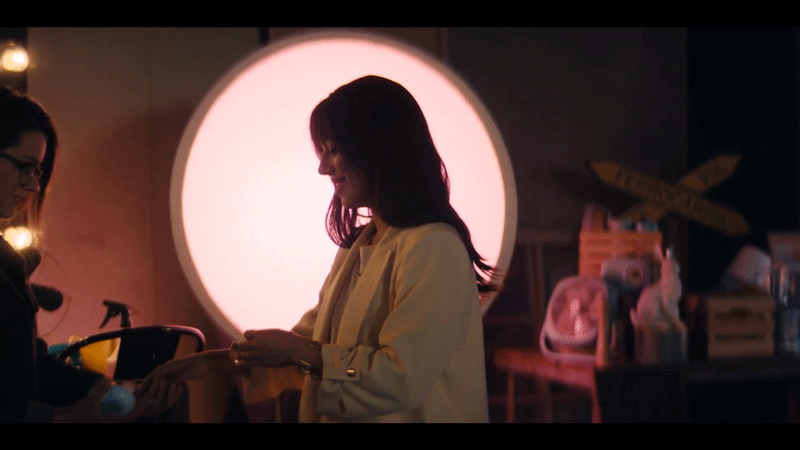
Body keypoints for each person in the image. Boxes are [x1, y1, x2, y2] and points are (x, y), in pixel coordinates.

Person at [140, 75, 494, 422]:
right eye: (322, 152)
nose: (323, 168)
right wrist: (209, 363)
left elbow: (399, 376)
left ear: (378, 149)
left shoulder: (434, 248)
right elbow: (310, 350)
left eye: (334, 150)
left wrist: (300, 351)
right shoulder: (360, 246)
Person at [0, 86, 179, 422]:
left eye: (37, 173)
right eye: (25, 166)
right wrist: (68, 417)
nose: (33, 186)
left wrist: (107, 390)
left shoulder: (7, 259)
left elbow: (27, 366)